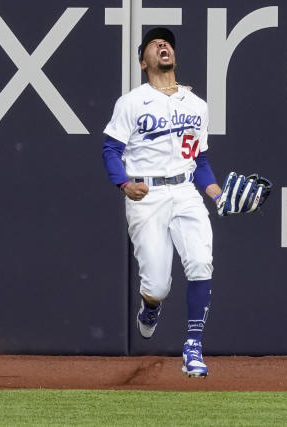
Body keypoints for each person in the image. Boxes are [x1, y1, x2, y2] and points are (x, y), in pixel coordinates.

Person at [102, 27, 222, 377]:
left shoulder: (197, 105)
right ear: (144, 61)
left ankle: (193, 345)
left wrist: (215, 192)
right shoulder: (131, 102)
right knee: (157, 285)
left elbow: (199, 161)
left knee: (201, 263)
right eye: (154, 43)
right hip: (147, 194)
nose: (162, 44)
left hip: (185, 191)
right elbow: (111, 149)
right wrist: (123, 183)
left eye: (166, 42)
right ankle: (150, 305)